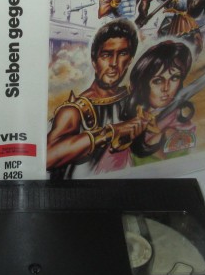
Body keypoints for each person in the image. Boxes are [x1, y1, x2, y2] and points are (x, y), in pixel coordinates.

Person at [47, 19, 149, 178]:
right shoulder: (74, 111)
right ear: (94, 61)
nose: (114, 63)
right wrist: (112, 132)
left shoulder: (132, 99)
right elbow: (48, 157)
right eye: (106, 55)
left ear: (130, 60)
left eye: (122, 53)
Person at [124, 40, 196, 162]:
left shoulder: (180, 125)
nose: (166, 88)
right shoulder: (132, 118)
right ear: (143, 84)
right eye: (158, 81)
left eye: (174, 78)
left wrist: (159, 135)